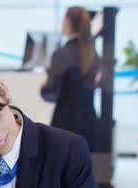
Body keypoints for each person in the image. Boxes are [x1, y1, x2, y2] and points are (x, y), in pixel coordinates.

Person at [40, 6, 101, 152]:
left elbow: (51, 92)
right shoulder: (94, 53)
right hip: (89, 123)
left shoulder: (61, 54)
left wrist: (43, 87)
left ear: (67, 22)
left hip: (64, 124)